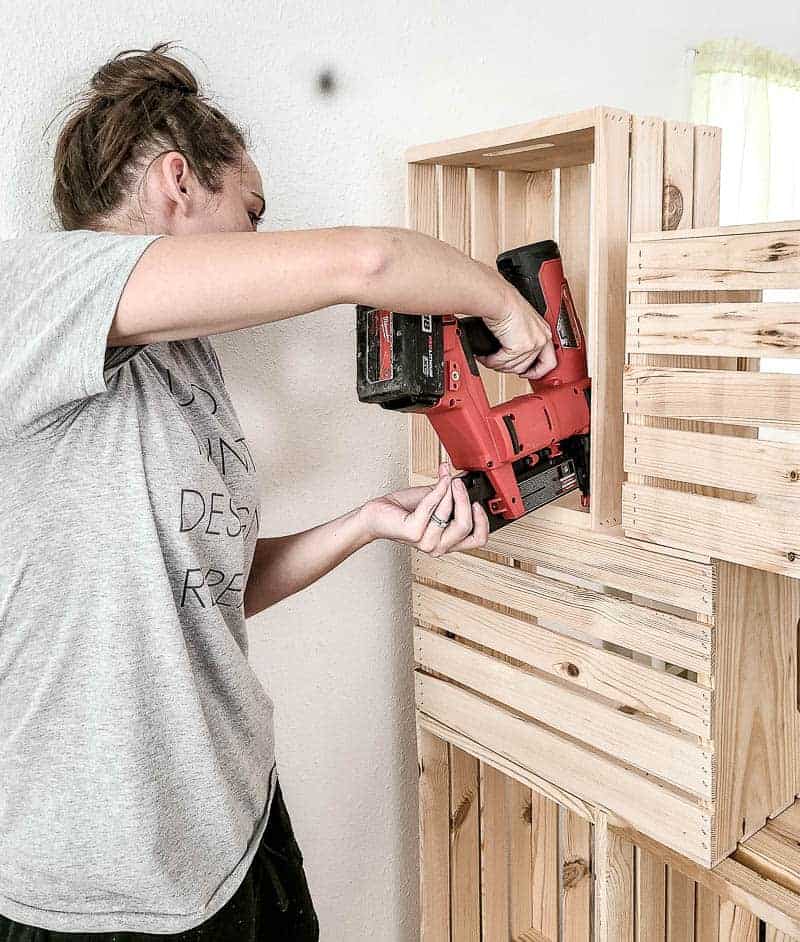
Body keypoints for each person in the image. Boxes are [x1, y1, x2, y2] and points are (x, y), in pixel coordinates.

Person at [0, 41, 555, 941]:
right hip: (91, 890)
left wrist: (369, 522)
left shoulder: (188, 361)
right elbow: (369, 264)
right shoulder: (29, 289)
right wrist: (505, 306)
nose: (261, 240)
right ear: (178, 183)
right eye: (250, 212)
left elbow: (206, 591)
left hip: (238, 825)